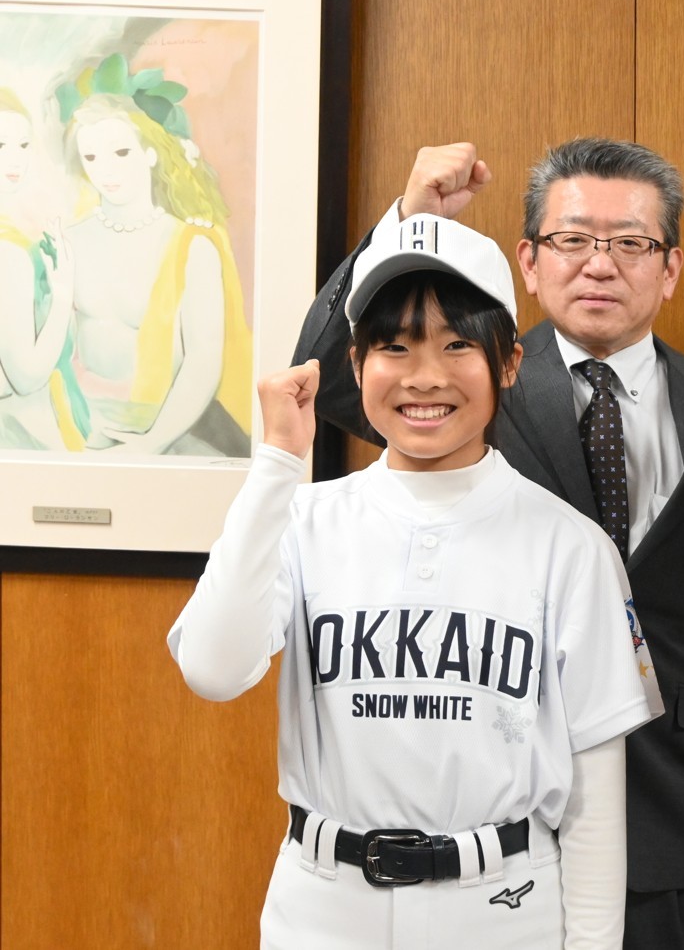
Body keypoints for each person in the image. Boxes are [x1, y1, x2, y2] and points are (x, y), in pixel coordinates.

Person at [293, 140, 684, 948]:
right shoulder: (467, 381)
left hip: (676, 818)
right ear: (529, 261)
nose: (599, 264)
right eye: (571, 239)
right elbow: (323, 371)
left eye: (630, 242)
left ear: (669, 268)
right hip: (493, 820)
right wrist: (409, 220)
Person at [169, 210, 658, 948]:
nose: (424, 376)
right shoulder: (302, 519)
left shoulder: (571, 547)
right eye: (394, 346)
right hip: (324, 906)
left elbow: (594, 801)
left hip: (501, 906)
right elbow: (211, 669)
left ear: (509, 363)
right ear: (356, 364)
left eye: (457, 344)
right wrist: (276, 465)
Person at [58, 53, 252, 456]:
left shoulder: (192, 246)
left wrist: (150, 445)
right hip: (78, 430)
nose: (105, 170)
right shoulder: (68, 240)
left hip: (168, 432)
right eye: (91, 157)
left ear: (149, 153)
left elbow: (203, 360)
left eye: (120, 152)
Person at [0, 88, 88, 450]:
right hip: (18, 432)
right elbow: (28, 377)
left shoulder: (17, 234)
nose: (15, 160)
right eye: (0, 145)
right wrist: (63, 291)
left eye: (23, 144)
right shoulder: (9, 253)